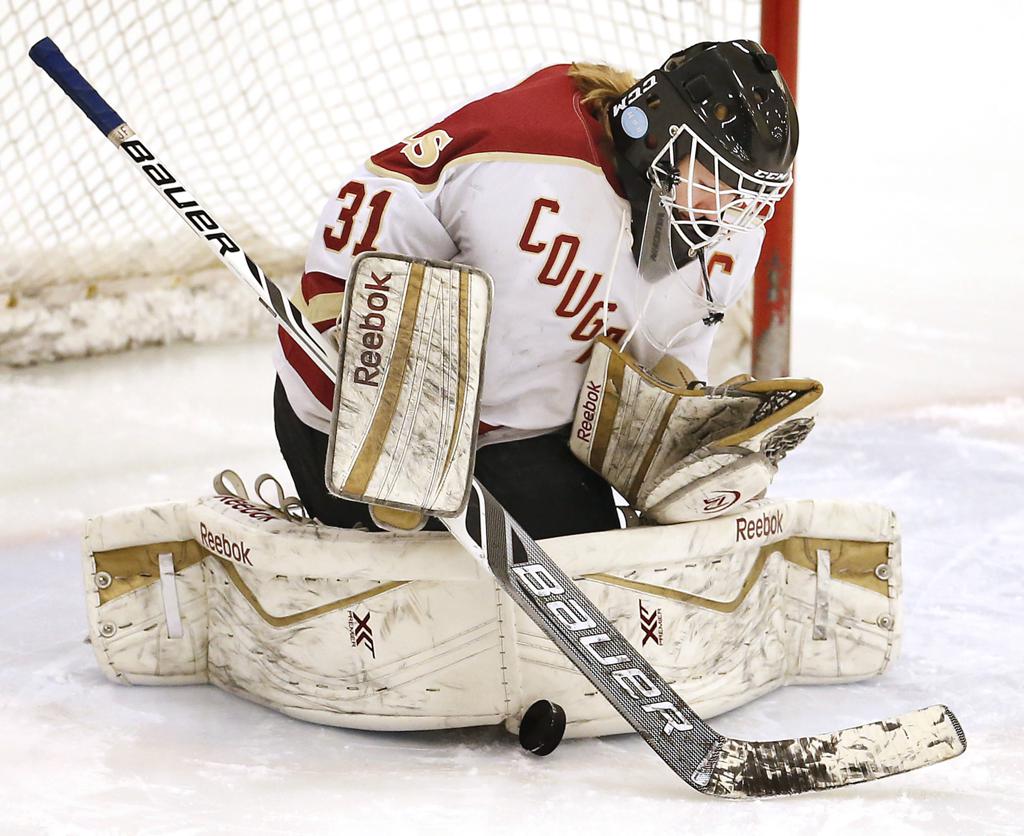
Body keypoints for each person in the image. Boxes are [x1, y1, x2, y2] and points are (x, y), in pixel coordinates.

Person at [273, 40, 798, 539]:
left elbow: (674, 353)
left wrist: (674, 415)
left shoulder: (728, 236)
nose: (726, 211)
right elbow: (378, 195)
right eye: (714, 179)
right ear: (658, 133)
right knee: (414, 586)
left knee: (588, 571)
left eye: (747, 194)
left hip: (521, 438)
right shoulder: (527, 149)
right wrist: (360, 342)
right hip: (343, 424)